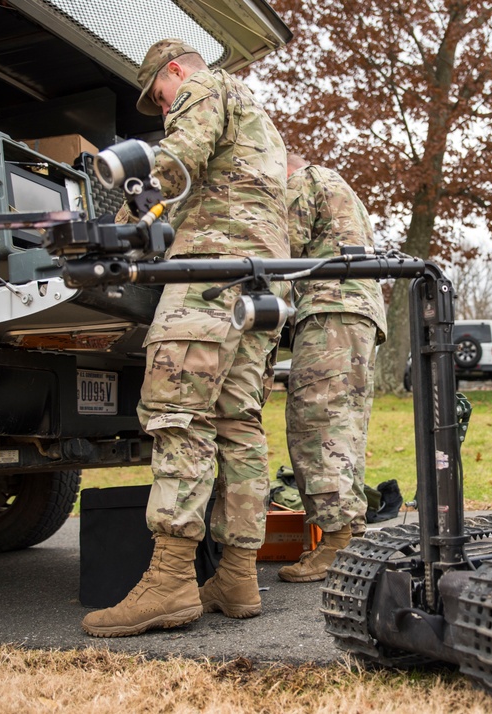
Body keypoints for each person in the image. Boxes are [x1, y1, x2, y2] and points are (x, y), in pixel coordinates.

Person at [82, 40, 288, 637]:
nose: (162, 106)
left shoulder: (206, 86)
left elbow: (173, 162)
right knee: (238, 424)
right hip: (259, 282)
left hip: (208, 274)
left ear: (175, 71)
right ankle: (237, 574)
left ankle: (170, 582)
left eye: (159, 95)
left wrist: (113, 225)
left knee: (178, 416)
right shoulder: (261, 121)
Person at [278, 154, 387, 583]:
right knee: (344, 424)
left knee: (316, 422)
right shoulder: (338, 186)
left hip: (330, 311)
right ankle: (348, 536)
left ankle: (338, 541)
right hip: (356, 312)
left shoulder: (301, 182)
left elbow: (277, 248)